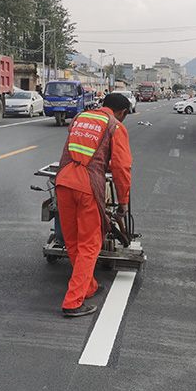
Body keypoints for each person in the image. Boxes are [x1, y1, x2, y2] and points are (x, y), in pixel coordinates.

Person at [55, 92, 132, 317]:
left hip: (63, 181)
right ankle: (73, 302)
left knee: (73, 241)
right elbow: (121, 167)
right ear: (122, 112)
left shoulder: (80, 117)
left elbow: (81, 150)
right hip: (87, 187)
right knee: (90, 245)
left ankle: (88, 287)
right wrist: (123, 201)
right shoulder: (115, 126)